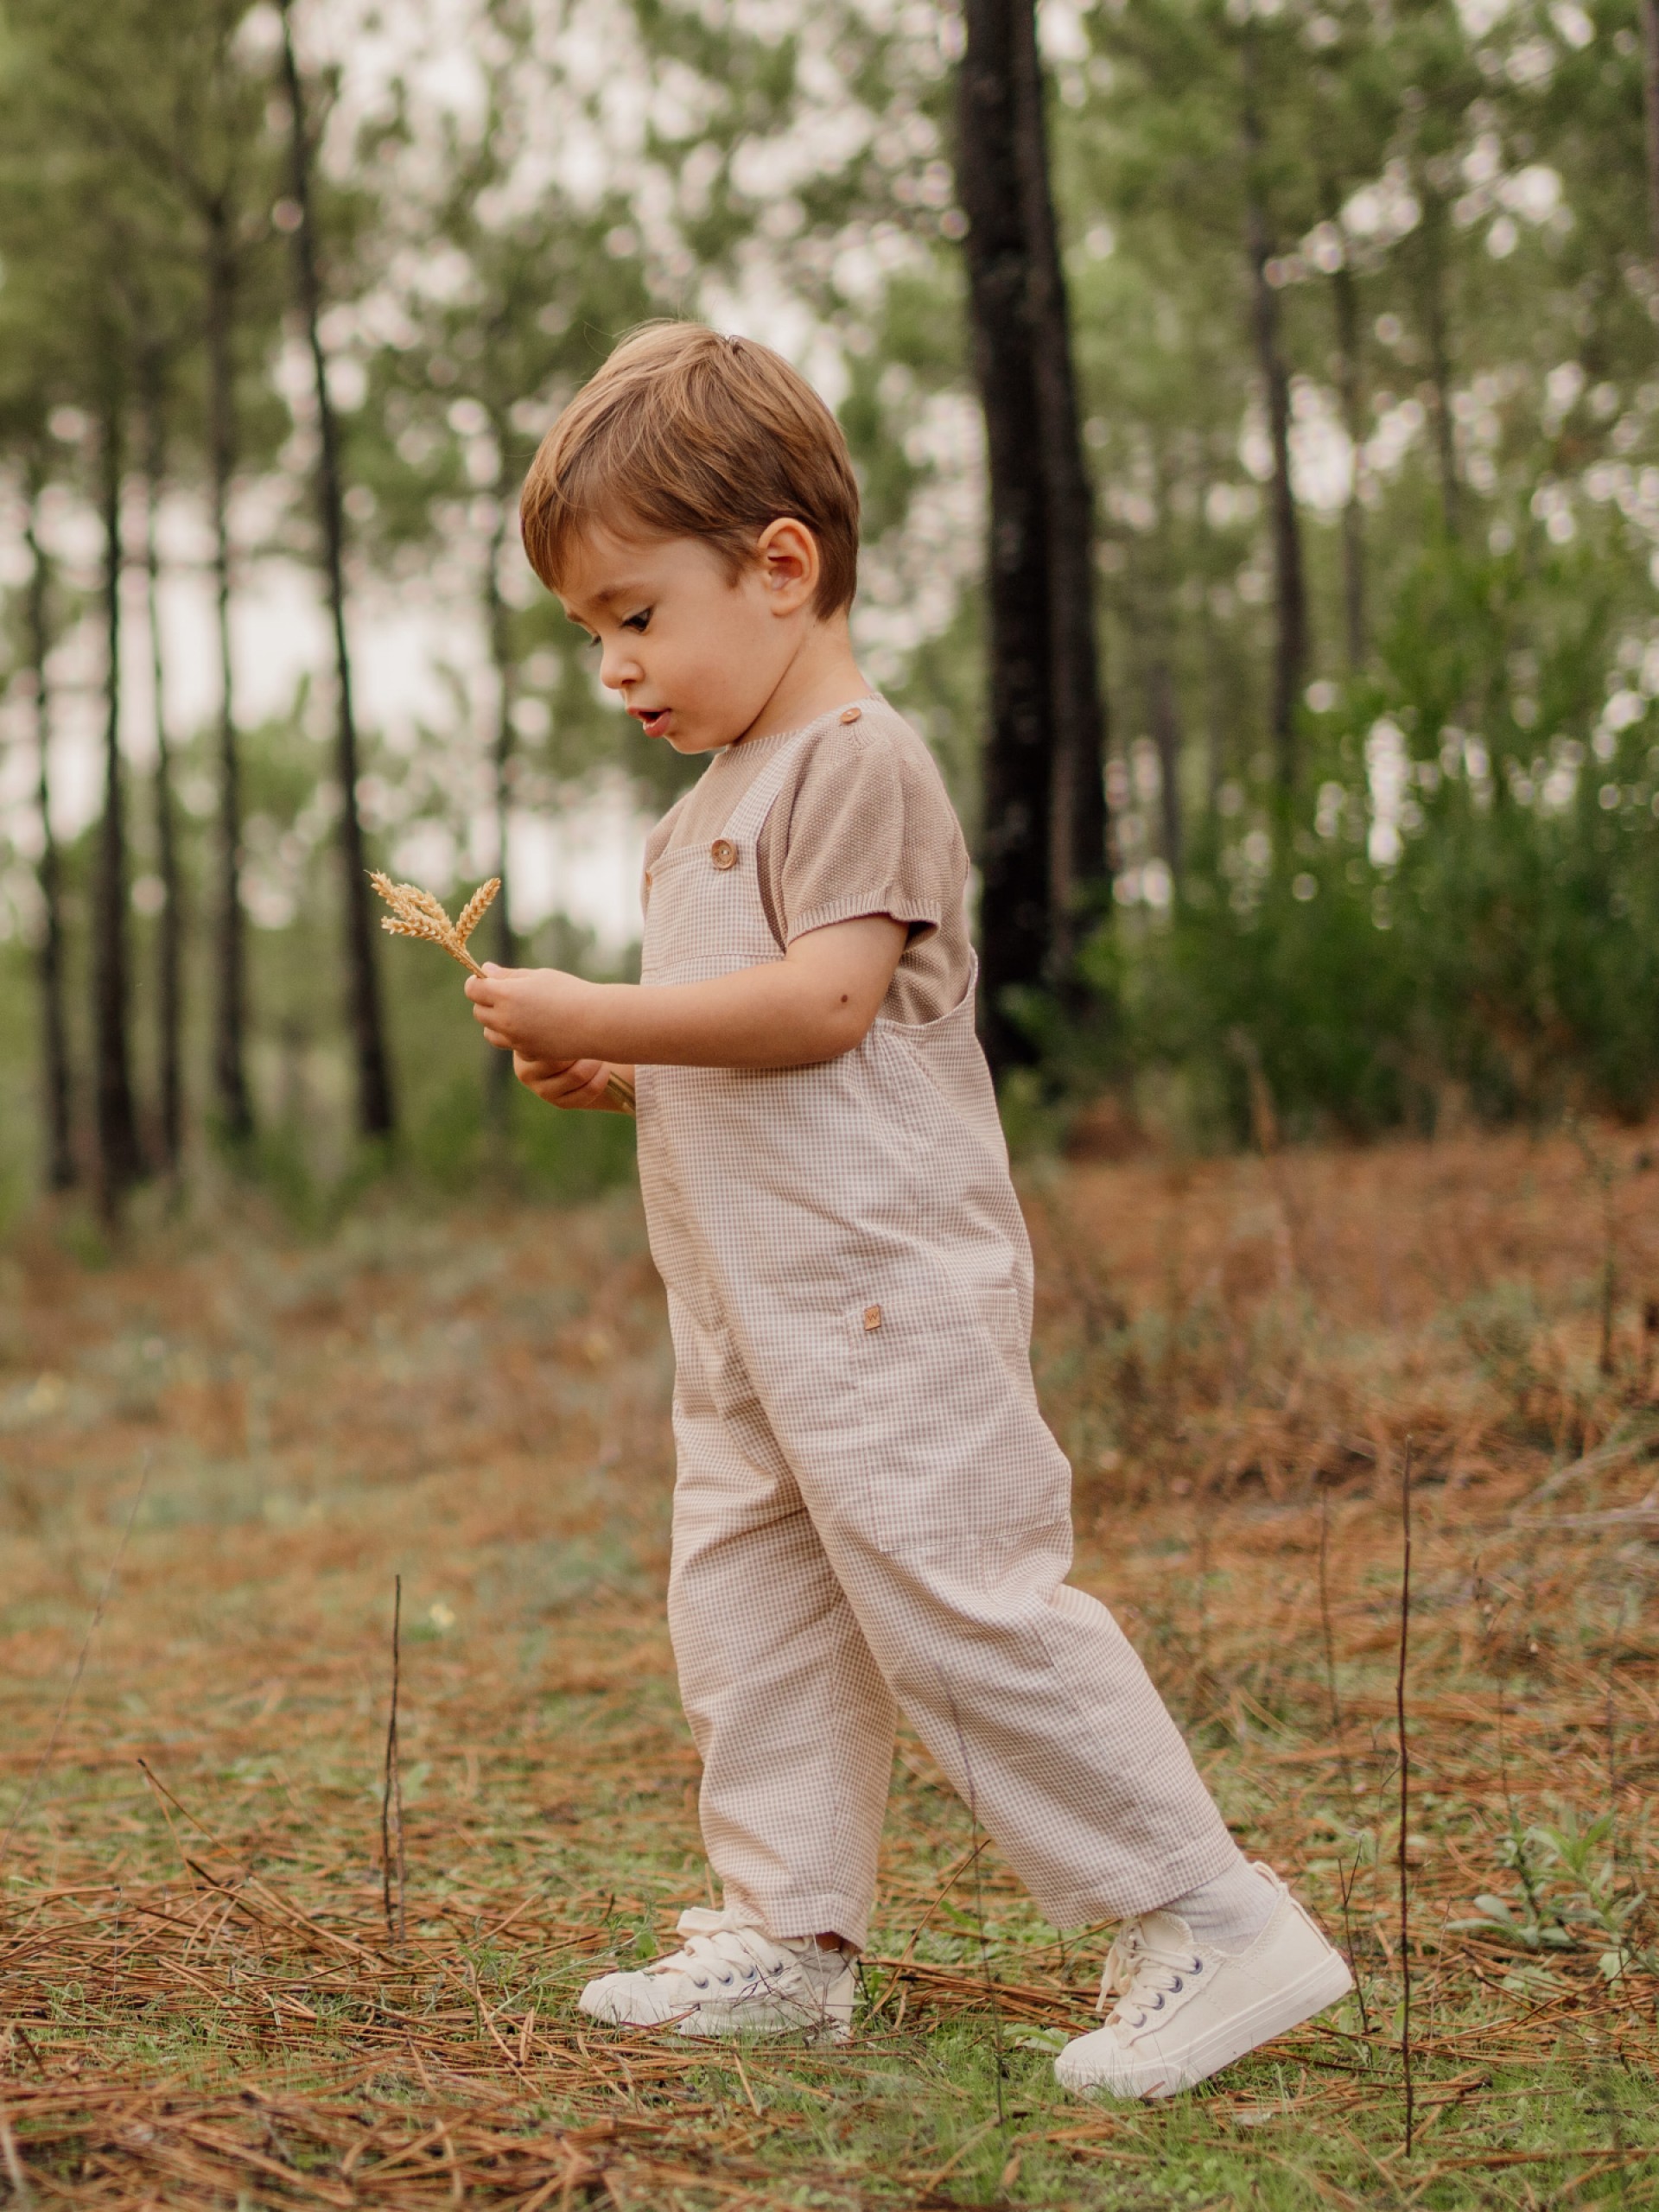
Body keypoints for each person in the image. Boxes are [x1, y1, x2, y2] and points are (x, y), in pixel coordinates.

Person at [464, 321, 1351, 2099]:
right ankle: (787, 1936)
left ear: (781, 568)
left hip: (878, 1300)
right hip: (746, 1318)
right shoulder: (701, 813)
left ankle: (1207, 1907)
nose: (614, 668)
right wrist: (622, 1070)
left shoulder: (856, 760)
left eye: (638, 615)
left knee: (962, 1599)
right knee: (753, 1610)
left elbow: (825, 1009)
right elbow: (758, 1061)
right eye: (592, 635)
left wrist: (606, 1012)